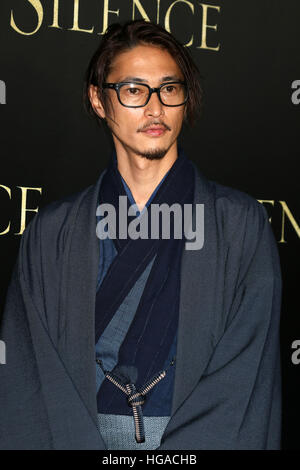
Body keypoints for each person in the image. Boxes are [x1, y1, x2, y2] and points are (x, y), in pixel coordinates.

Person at [0, 20, 282, 450]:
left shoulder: (240, 225)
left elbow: (247, 376)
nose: (155, 109)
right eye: (133, 90)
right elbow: (29, 371)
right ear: (99, 99)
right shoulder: (53, 231)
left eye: (169, 89)